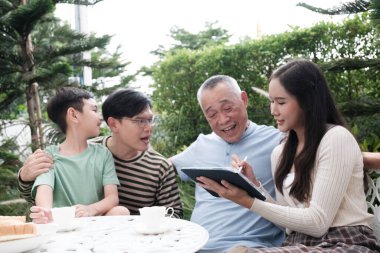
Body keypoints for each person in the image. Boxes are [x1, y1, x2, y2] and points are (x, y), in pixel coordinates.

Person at [197, 59, 379, 252]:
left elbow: (318, 223)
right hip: (299, 244)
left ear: (307, 101)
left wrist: (246, 200)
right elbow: (288, 222)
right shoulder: (281, 152)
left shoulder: (336, 138)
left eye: (281, 102)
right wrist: (254, 186)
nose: (273, 110)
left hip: (344, 242)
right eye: (271, 101)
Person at [19, 88, 183, 218]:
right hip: (71, 226)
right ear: (114, 124)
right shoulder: (84, 149)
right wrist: (25, 177)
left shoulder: (160, 166)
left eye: (150, 120)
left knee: (120, 212)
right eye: (140, 121)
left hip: (121, 235)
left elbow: (175, 214)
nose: (149, 128)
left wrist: (139, 225)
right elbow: (38, 200)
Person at [171, 75, 285, 252]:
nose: (223, 120)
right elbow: (161, 167)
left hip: (247, 247)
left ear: (244, 99)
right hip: (195, 246)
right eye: (212, 114)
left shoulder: (277, 141)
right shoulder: (202, 145)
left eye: (228, 108)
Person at [30, 87, 129, 223]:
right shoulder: (49, 155)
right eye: (94, 110)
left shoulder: (102, 154)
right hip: (63, 223)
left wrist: (90, 209)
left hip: (95, 223)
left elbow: (112, 198)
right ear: (74, 115)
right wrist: (45, 212)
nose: (100, 118)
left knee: (121, 211)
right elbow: (44, 192)